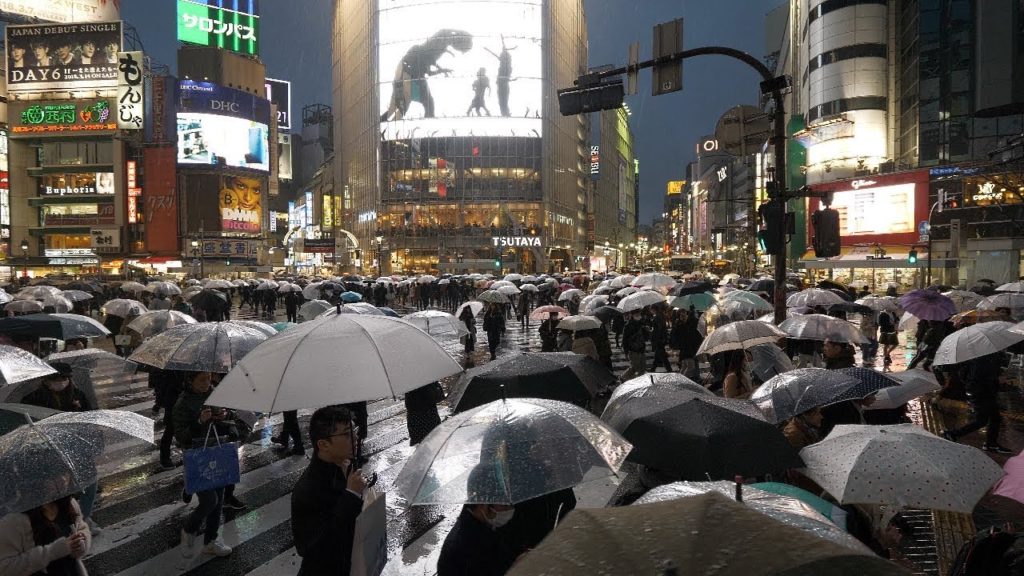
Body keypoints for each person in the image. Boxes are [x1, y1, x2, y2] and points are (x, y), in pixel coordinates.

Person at [291, 406, 369, 576]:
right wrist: (351, 495)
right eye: (347, 434)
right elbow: (313, 548)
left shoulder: (344, 466)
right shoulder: (308, 490)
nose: (356, 437)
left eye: (354, 430)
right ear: (324, 444)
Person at [174, 372, 234, 559]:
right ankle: (188, 529)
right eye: (202, 380)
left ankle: (211, 540)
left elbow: (227, 418)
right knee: (209, 501)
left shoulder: (214, 394)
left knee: (219, 498)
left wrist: (225, 414)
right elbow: (182, 436)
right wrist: (199, 421)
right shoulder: (182, 404)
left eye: (208, 379)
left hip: (217, 451)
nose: (207, 383)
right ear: (189, 380)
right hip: (197, 456)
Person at [437, 465, 518, 576]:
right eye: (505, 505)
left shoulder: (483, 525)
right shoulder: (466, 549)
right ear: (483, 505)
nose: (510, 509)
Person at [0, 494, 91, 576]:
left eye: (66, 474)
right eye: (53, 477)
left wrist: (82, 541)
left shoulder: (69, 502)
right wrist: (53, 551)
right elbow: (5, 568)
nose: (63, 479)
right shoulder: (13, 520)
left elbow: (82, 528)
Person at [943, 352, 1012, 453]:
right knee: (982, 420)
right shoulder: (983, 360)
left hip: (980, 393)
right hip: (982, 394)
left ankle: (991, 443)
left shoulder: (980, 357)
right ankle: (953, 434)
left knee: (994, 418)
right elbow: (982, 379)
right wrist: (998, 382)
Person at [619, 311, 647, 381]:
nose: (639, 316)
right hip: (633, 350)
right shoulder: (628, 325)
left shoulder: (641, 323)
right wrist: (626, 352)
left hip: (641, 348)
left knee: (642, 367)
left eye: (639, 314)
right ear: (632, 315)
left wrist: (645, 330)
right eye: (637, 314)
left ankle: (640, 382)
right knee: (634, 367)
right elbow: (625, 340)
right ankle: (623, 377)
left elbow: (645, 336)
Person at [648, 307, 671, 372]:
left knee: (661, 355)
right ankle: (653, 368)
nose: (650, 311)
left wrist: (651, 331)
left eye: (651, 310)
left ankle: (669, 369)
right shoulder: (659, 316)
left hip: (659, 339)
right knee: (659, 355)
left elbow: (659, 329)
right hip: (660, 339)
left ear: (654, 309)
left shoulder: (658, 317)